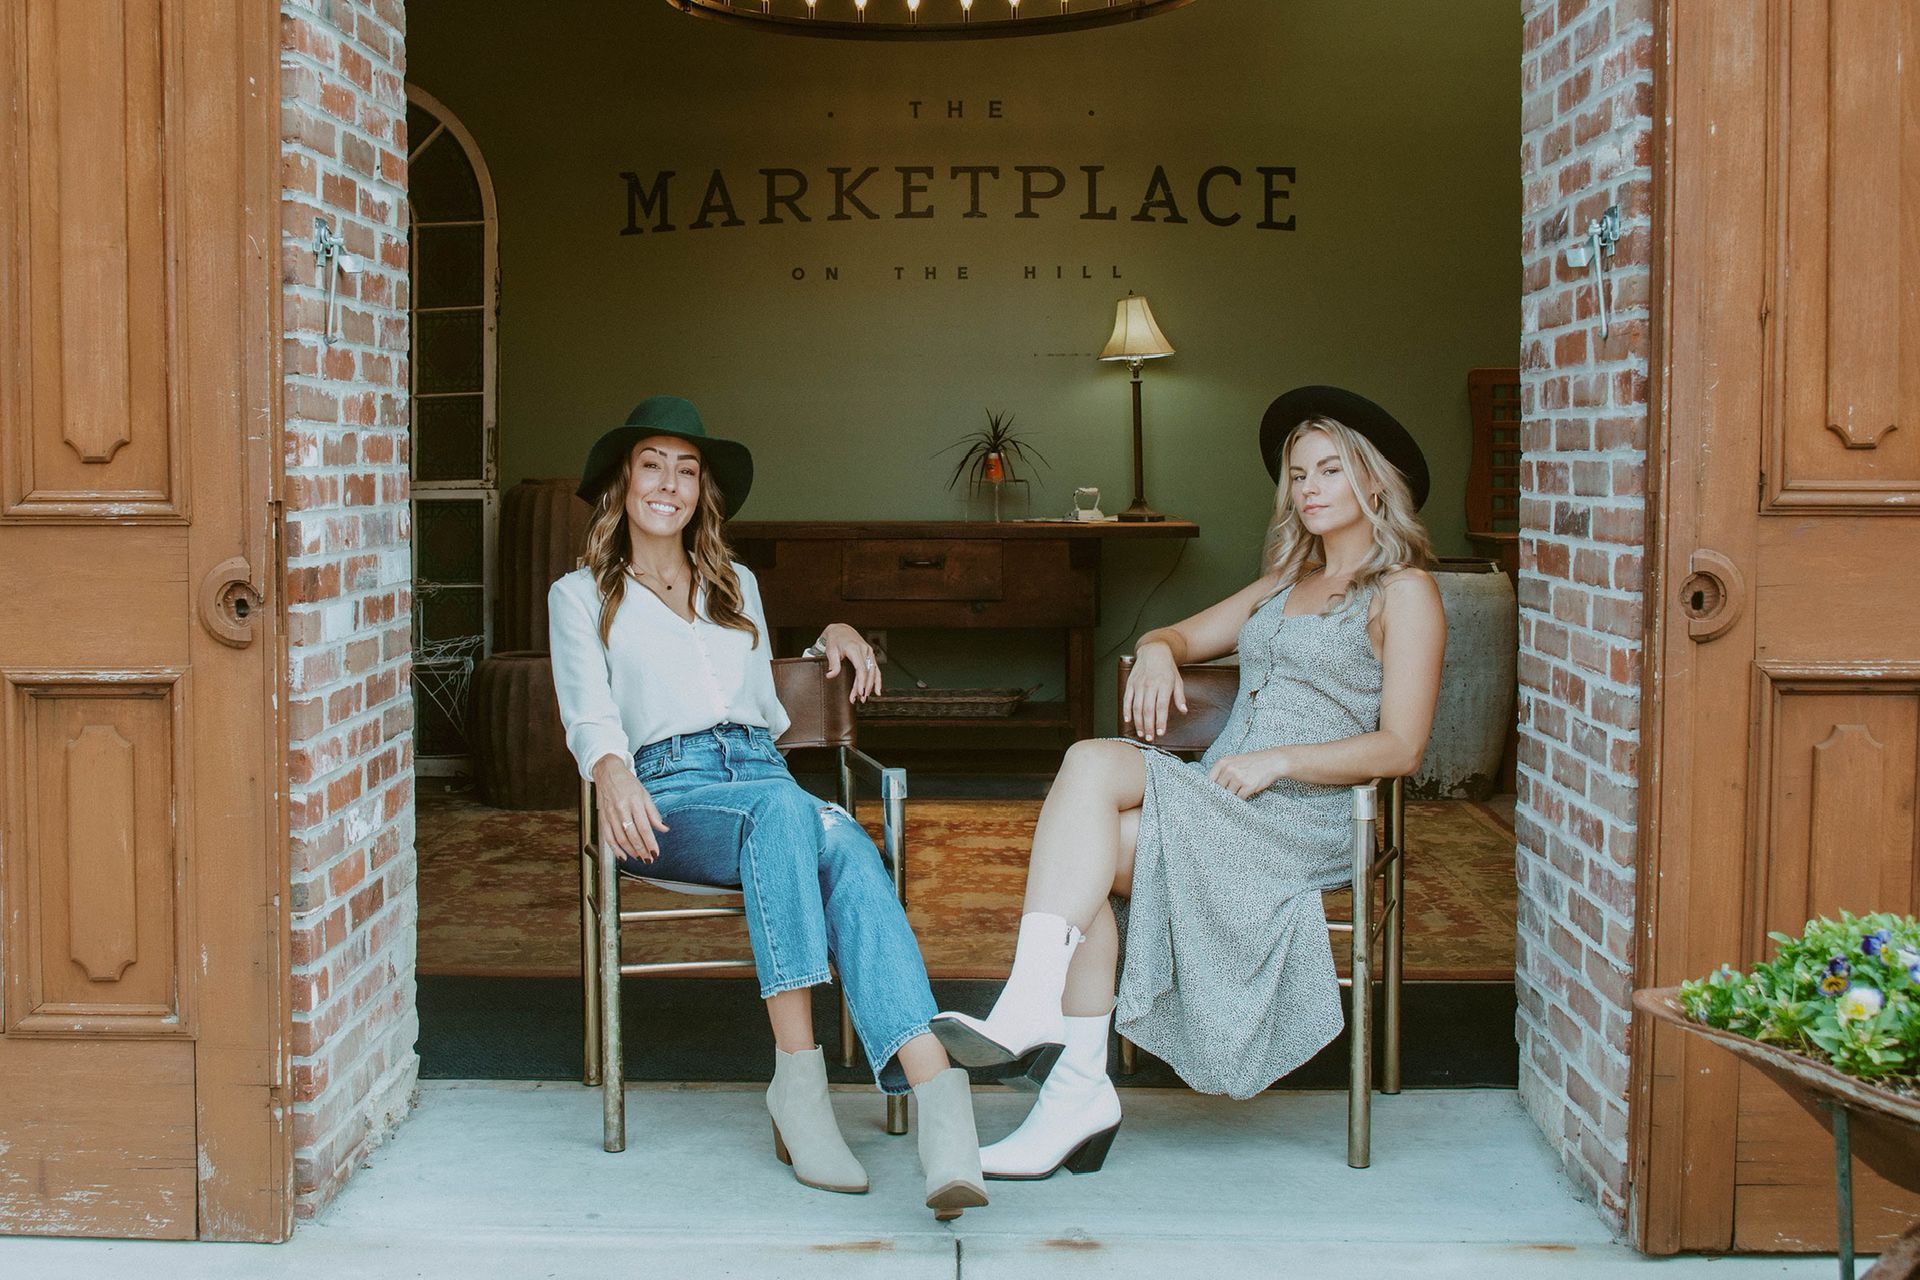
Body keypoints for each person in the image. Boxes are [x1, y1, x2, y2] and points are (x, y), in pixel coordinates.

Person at [930, 386, 1447, 1180]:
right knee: (1087, 859)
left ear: (1373, 483)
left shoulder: (1404, 592)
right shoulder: (1283, 581)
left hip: (1303, 824)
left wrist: (1281, 760)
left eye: (1329, 472)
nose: (1308, 488)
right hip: (1222, 801)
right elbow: (1176, 631)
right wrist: (1162, 648)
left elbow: (1402, 745)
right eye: (1297, 474)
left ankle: (1039, 1029)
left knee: (1088, 782)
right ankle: (1072, 1089)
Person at [548, 395, 987, 1220]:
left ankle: (938, 1099)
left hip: (760, 776)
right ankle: (805, 1081)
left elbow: (760, 696)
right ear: (622, 483)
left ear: (701, 493)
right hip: (665, 793)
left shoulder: (735, 582)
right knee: (799, 820)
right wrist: (609, 773)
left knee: (846, 846)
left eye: (687, 470)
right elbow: (587, 710)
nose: (670, 484)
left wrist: (832, 633)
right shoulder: (579, 596)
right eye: (653, 465)